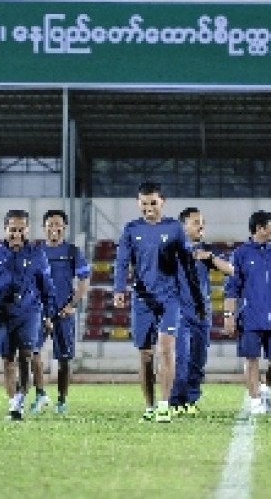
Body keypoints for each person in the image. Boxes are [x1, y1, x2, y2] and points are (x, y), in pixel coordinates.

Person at [112, 181, 205, 423]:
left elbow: (186, 262)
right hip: (143, 300)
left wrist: (195, 297)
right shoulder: (131, 229)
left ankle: (164, 405)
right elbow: (122, 261)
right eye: (144, 204)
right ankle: (150, 405)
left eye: (153, 203)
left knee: (166, 349)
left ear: (162, 202)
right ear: (138, 203)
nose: (149, 208)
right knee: (145, 356)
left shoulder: (174, 228)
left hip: (169, 299)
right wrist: (119, 288)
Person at [0, 210, 56, 421]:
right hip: (3, 313)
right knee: (7, 360)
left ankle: (19, 402)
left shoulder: (36, 254)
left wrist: (49, 315)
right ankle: (13, 402)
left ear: (27, 229)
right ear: (5, 229)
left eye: (20, 229)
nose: (16, 234)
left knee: (25, 356)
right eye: (12, 229)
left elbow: (47, 287)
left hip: (29, 312)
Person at [223, 211, 271, 415]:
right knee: (251, 359)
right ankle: (254, 401)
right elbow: (231, 289)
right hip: (250, 316)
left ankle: (265, 387)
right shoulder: (240, 254)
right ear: (260, 228)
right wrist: (229, 316)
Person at [169, 206, 233, 416]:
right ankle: (176, 401)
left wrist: (210, 258)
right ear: (183, 226)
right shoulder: (172, 250)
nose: (201, 226)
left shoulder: (207, 250)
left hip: (202, 315)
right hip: (180, 314)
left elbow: (231, 270)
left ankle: (191, 401)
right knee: (182, 360)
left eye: (202, 222)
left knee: (198, 361)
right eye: (196, 222)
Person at [29, 210, 90, 415]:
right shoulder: (35, 251)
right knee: (33, 352)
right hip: (39, 312)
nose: (54, 228)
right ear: (44, 227)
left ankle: (62, 401)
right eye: (50, 224)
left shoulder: (73, 251)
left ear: (64, 227)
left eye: (58, 224)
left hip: (63, 312)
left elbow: (84, 281)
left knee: (63, 359)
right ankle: (40, 395)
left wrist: (72, 304)